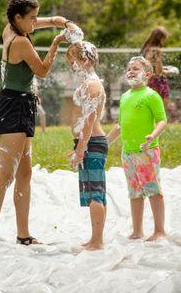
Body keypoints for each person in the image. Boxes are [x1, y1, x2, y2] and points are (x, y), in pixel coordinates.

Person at [0, 0, 67, 245]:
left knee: (24, 173)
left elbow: (34, 22)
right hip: (14, 107)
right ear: (18, 17)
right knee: (4, 174)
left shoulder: (9, 28)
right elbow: (42, 71)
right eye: (32, 18)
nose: (35, 22)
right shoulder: (20, 42)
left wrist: (54, 19)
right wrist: (55, 44)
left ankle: (23, 235)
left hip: (21, 103)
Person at [107, 56, 167, 241]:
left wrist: (153, 135)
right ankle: (137, 231)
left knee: (153, 190)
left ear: (146, 74)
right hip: (128, 152)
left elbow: (162, 120)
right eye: (129, 68)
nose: (131, 71)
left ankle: (159, 230)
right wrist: (105, 143)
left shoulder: (151, 95)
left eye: (135, 68)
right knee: (134, 192)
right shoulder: (125, 97)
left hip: (146, 152)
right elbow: (120, 126)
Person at [66, 41, 108, 251]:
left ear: (83, 60)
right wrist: (78, 146)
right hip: (87, 141)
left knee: (95, 193)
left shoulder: (92, 85)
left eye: (72, 61)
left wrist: (81, 149)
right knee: (93, 191)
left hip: (92, 142)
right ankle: (96, 238)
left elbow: (89, 121)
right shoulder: (89, 83)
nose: (71, 66)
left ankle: (97, 242)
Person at [141, 26, 170, 108]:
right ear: (160, 38)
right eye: (164, 38)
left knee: (150, 108)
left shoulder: (146, 49)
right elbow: (158, 72)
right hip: (157, 81)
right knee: (162, 109)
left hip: (147, 80)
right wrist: (168, 71)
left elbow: (149, 67)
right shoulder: (156, 50)